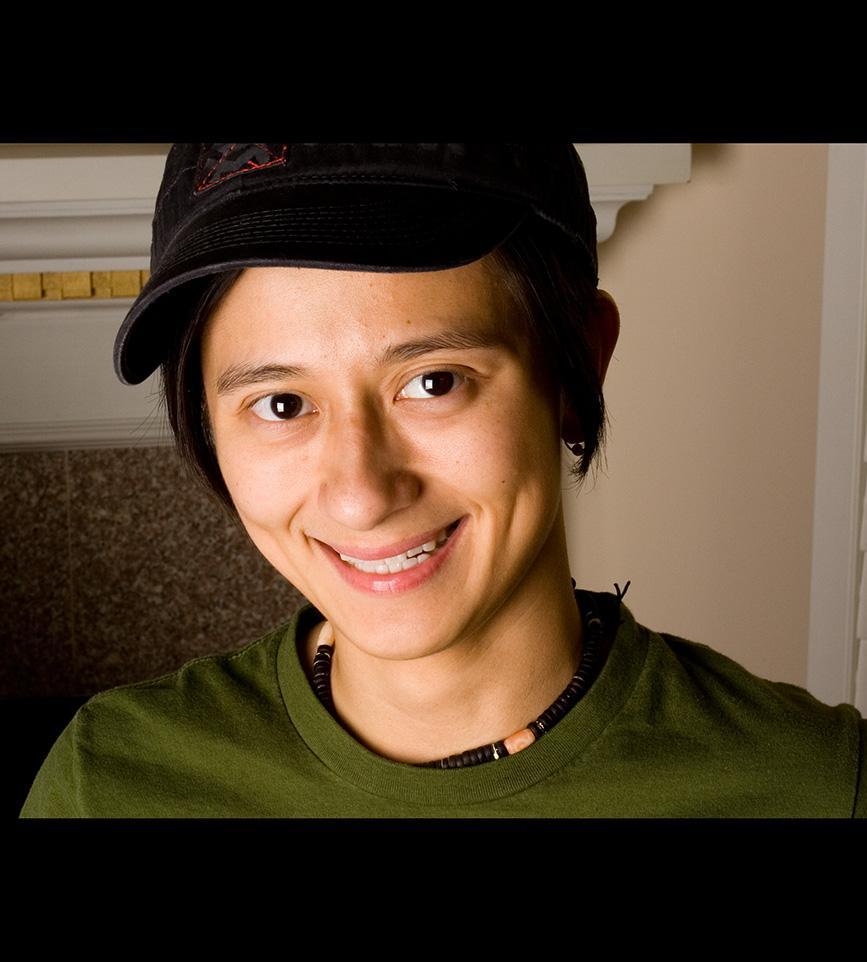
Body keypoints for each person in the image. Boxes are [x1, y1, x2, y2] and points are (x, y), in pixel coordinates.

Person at [20, 143, 867, 817]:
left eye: (433, 382)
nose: (360, 493)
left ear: (576, 371)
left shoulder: (820, 789)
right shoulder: (109, 784)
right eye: (282, 404)